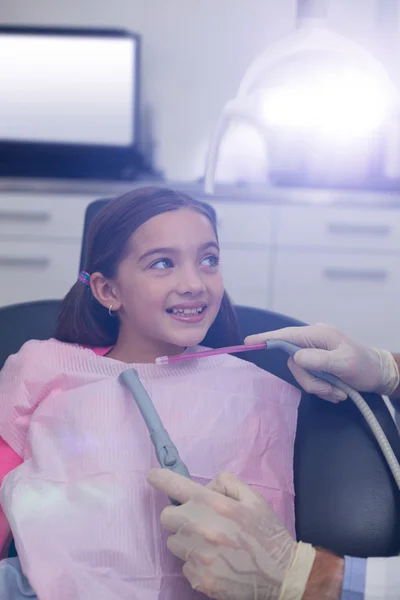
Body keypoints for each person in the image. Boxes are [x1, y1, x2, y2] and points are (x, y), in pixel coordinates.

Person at [0, 187, 301, 599]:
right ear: (108, 291)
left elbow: (270, 530)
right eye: (163, 263)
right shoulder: (46, 370)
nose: (194, 283)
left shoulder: (256, 388)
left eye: (208, 260)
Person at [148, 323, 400, 599]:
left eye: (209, 274)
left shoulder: (258, 389)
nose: (192, 285)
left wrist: (311, 578)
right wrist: (390, 371)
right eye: (159, 274)